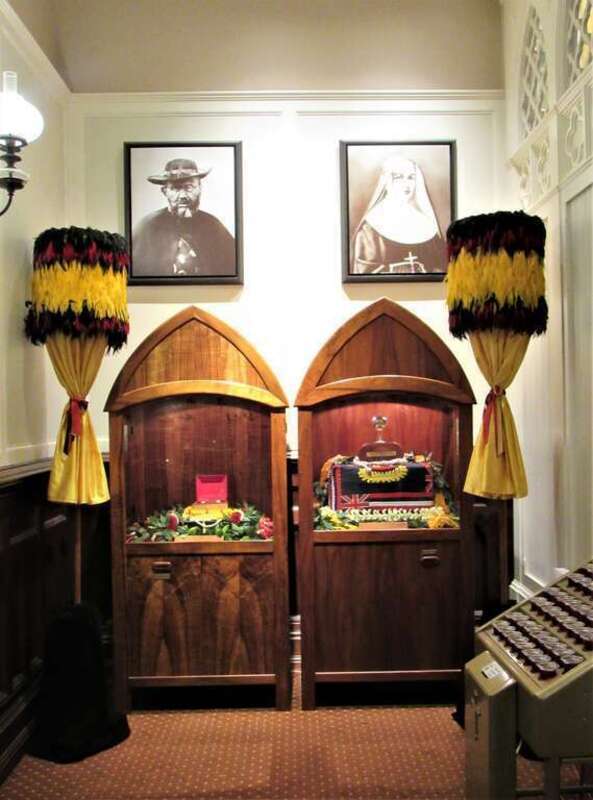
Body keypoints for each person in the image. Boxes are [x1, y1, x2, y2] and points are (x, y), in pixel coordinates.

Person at [132, 158, 236, 277]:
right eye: (175, 188)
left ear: (200, 188)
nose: (182, 196)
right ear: (165, 191)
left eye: (189, 187)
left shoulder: (214, 227)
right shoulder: (147, 228)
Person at [351, 155, 445, 275]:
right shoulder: (370, 227)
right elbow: (364, 272)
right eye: (399, 177)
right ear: (387, 182)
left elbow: (441, 266)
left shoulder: (425, 223)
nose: (407, 184)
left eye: (411, 177)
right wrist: (407, 270)